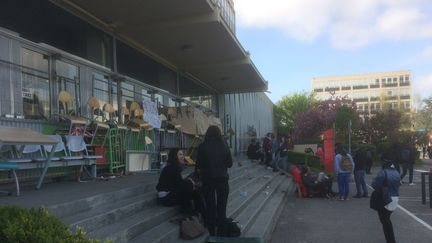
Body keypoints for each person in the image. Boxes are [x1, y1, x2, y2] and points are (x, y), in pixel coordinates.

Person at [196, 125, 233, 236]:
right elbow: (230, 164)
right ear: (218, 134)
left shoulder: (202, 146)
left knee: (210, 207)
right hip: (222, 180)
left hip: (208, 181)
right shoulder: (224, 145)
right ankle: (222, 234)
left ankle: (212, 233)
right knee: (222, 209)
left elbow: (199, 165)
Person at [156, 148, 203, 215]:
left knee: (196, 192)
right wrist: (191, 183)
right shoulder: (172, 167)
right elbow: (179, 185)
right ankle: (187, 210)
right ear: (175, 156)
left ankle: (200, 213)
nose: (182, 156)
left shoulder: (174, 166)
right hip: (166, 198)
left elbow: (177, 184)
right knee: (188, 184)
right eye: (180, 154)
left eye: (182, 154)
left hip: (171, 193)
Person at [372, 153, 400, 243]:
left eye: (381, 160)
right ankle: (391, 240)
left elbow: (375, 186)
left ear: (384, 161)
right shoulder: (396, 172)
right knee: (386, 220)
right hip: (395, 198)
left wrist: (374, 181)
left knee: (385, 222)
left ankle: (391, 241)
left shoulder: (382, 172)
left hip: (385, 199)